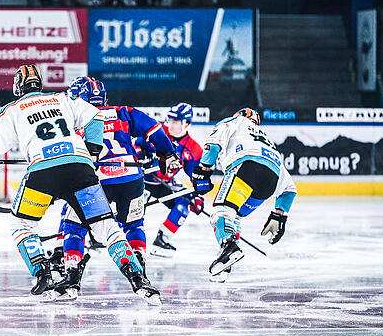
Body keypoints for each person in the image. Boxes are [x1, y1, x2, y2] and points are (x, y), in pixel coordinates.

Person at [0, 65, 162, 304]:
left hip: (43, 173)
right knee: (106, 227)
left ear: (18, 86)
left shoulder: (12, 109)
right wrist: (92, 153)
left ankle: (42, 272)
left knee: (21, 223)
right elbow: (95, 117)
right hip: (80, 168)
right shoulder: (63, 98)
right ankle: (139, 280)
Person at [55, 77, 182, 299]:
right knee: (133, 226)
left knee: (74, 227)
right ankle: (139, 271)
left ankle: (72, 278)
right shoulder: (122, 112)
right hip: (131, 179)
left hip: (95, 181)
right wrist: (167, 153)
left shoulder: (73, 120)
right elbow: (154, 129)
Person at [191, 108, 297, 282]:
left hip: (246, 167)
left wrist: (204, 169)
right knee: (235, 217)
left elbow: (213, 142)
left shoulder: (236, 121)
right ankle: (226, 265)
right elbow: (289, 189)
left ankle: (228, 247)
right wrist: (279, 215)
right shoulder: (268, 142)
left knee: (222, 211)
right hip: (271, 180)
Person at [137, 103, 204, 257]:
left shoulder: (193, 149)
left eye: (176, 122)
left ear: (186, 124)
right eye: (170, 120)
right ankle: (116, 237)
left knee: (184, 204)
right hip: (142, 179)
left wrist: (198, 194)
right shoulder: (158, 131)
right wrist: (141, 155)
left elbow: (195, 175)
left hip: (162, 182)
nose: (171, 125)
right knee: (136, 208)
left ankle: (162, 239)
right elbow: (137, 144)